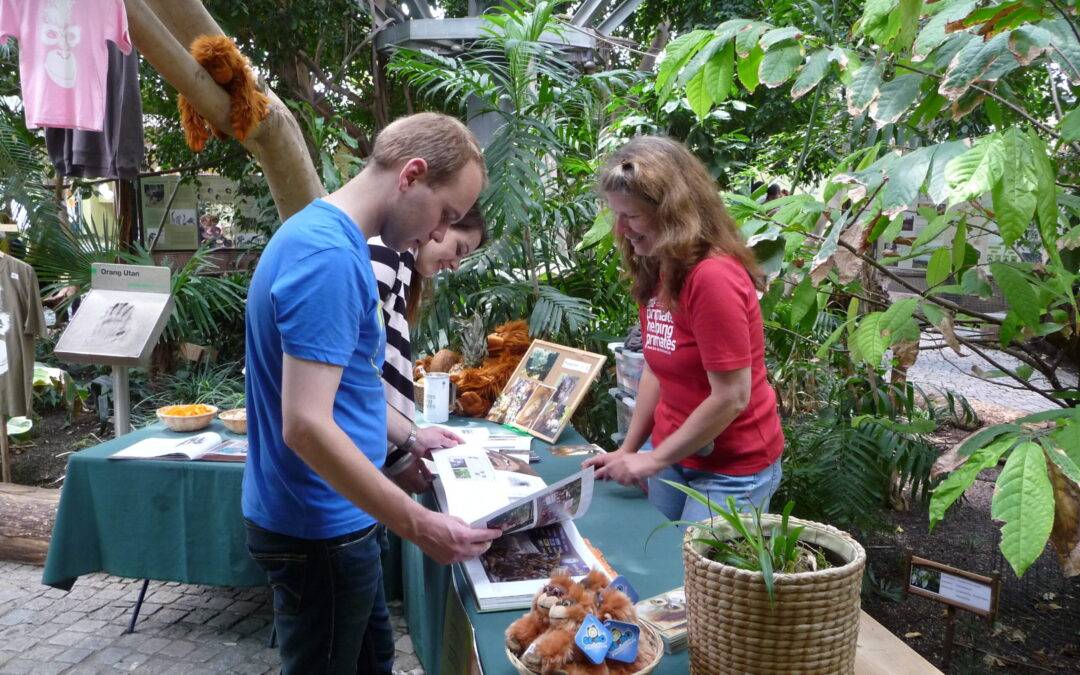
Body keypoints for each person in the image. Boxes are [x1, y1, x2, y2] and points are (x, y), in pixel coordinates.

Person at [243, 112, 501, 674]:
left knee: (373, 660)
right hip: (320, 528)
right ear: (411, 174)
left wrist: (403, 448)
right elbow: (306, 425)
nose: (439, 235)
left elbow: (350, 390)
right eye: (446, 216)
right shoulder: (331, 259)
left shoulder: (328, 239)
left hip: (336, 521)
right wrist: (420, 524)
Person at [584, 136, 784, 522]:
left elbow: (732, 396)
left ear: (673, 213)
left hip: (731, 469)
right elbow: (656, 371)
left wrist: (653, 459)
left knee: (700, 578)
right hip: (675, 454)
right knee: (656, 560)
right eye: (617, 215)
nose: (621, 229)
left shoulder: (713, 276)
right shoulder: (657, 266)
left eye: (632, 216)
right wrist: (630, 450)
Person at [368, 203, 489, 492]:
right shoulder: (385, 253)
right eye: (459, 249)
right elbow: (351, 378)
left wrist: (400, 454)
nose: (455, 265)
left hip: (374, 450)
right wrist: (405, 445)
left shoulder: (402, 267)